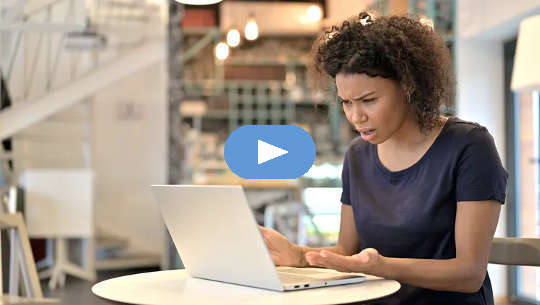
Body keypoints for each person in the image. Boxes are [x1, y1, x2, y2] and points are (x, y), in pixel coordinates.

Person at [260, 11, 508, 305]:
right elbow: (347, 251)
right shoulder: (357, 155)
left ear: (408, 87)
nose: (355, 117)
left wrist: (382, 267)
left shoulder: (468, 147)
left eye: (368, 100)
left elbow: (469, 273)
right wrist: (300, 256)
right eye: (346, 103)